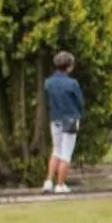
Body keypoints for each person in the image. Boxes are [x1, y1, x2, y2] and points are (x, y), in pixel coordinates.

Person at [43, 50, 85, 193]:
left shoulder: (48, 82)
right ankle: (60, 185)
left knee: (56, 150)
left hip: (55, 118)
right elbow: (80, 102)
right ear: (69, 66)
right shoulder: (72, 83)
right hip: (71, 118)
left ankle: (48, 182)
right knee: (66, 152)